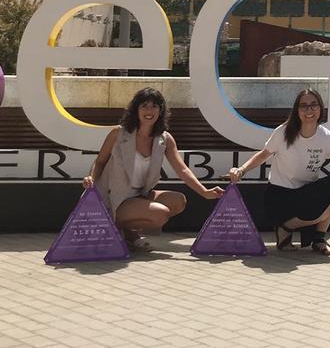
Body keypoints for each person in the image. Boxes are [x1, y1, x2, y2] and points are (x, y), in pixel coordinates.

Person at [227, 88, 330, 255]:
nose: (309, 110)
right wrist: (241, 170)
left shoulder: (327, 137)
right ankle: (283, 225)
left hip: (305, 195)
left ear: (320, 109)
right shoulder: (283, 132)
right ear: (297, 110)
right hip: (278, 197)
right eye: (304, 106)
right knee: (307, 208)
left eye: (314, 105)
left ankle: (318, 240)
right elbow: (263, 155)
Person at [83, 87, 224, 253]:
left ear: (161, 110)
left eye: (154, 106)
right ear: (136, 109)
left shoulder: (164, 139)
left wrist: (204, 192)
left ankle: (128, 233)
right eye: (144, 106)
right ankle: (108, 225)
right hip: (113, 197)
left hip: (139, 194)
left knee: (178, 201)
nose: (149, 111)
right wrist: (90, 178)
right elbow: (100, 161)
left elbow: (182, 169)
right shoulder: (119, 134)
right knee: (160, 214)